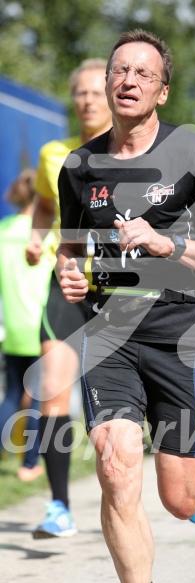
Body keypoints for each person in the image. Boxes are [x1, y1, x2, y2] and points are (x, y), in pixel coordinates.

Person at [55, 29, 195, 583]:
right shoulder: (78, 166)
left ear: (162, 91)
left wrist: (170, 244)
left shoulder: (188, 148)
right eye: (120, 70)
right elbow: (69, 249)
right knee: (115, 468)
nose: (128, 80)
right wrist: (69, 274)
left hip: (179, 330)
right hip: (108, 331)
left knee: (180, 500)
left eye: (143, 73)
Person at [25, 59, 112, 538]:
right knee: (52, 387)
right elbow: (42, 203)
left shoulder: (130, 152)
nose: (87, 100)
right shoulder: (52, 153)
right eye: (79, 92)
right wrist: (39, 238)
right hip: (67, 281)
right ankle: (59, 506)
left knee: (118, 409)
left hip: (119, 289)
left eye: (95, 92)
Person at [0, 169, 52, 481]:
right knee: (37, 397)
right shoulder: (45, 233)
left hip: (13, 326)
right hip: (41, 326)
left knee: (10, 394)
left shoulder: (3, 230)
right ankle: (29, 463)